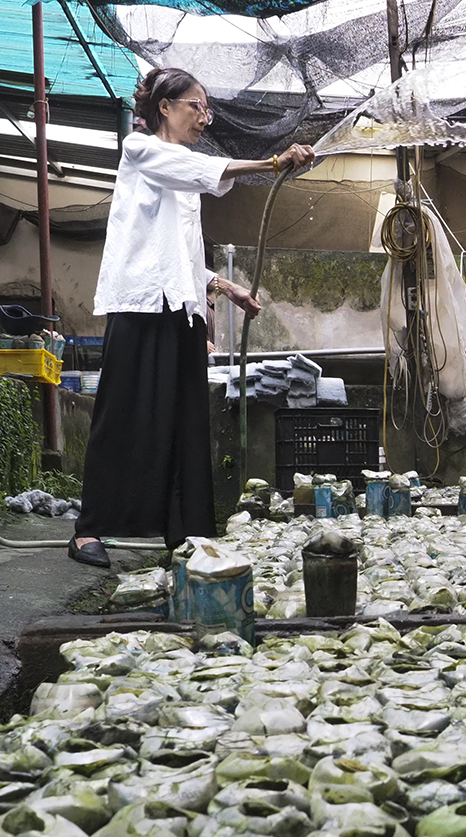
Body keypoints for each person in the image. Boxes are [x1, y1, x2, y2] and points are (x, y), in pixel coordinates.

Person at [69, 67, 314, 568]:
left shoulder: (181, 171)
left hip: (180, 309)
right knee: (121, 415)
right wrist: (271, 162)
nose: (205, 117)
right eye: (195, 106)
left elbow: (180, 252)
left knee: (184, 420)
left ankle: (186, 532)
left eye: (206, 108)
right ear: (165, 107)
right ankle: (89, 530)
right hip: (138, 304)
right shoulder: (139, 150)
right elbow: (203, 172)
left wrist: (225, 287)